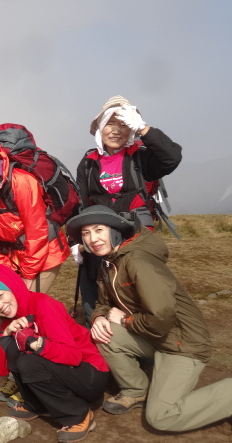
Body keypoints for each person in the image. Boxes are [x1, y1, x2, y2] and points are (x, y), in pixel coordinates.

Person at [66, 205, 232, 432]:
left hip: (182, 344)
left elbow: (161, 317)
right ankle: (137, 391)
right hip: (155, 337)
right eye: (86, 234)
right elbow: (103, 303)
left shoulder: (138, 261)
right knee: (104, 334)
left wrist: (125, 320)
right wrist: (98, 317)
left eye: (98, 230)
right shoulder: (109, 262)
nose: (93, 239)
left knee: (161, 417)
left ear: (115, 230)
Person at [0, 120, 70, 400]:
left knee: (30, 311)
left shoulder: (19, 179)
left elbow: (37, 231)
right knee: (14, 313)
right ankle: (22, 375)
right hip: (14, 255)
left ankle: (46, 373)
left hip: (45, 253)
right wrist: (3, 270)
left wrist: (27, 277)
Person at [73, 95, 182, 322]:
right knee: (94, 285)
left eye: (123, 124)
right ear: (100, 128)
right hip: (100, 238)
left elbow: (171, 157)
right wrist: (76, 242)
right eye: (110, 123)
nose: (116, 130)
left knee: (138, 287)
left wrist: (144, 129)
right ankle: (95, 332)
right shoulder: (88, 163)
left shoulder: (141, 158)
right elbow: (82, 204)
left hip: (137, 236)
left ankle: (143, 332)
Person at [0, 264, 109, 443]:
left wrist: (38, 344)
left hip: (91, 374)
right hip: (67, 374)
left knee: (29, 362)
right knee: (17, 352)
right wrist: (6, 336)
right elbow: (1, 369)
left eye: (0, 295)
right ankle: (36, 404)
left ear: (13, 287)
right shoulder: (9, 321)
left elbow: (73, 356)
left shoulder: (43, 305)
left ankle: (78, 415)